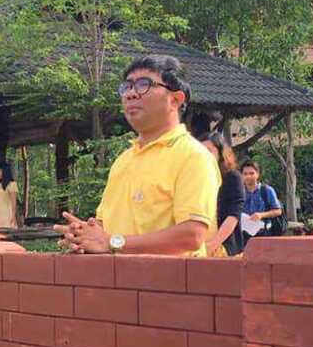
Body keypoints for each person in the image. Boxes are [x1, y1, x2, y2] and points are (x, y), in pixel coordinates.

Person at [55, 55, 219, 256]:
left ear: (175, 99)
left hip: (169, 276)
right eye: (127, 87)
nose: (131, 94)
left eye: (144, 84)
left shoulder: (193, 156)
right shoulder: (124, 160)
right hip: (117, 275)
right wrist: (83, 236)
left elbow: (191, 236)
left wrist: (113, 242)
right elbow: (104, 227)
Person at [199, 132, 245, 257]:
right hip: (198, 247)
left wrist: (213, 244)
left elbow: (233, 215)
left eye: (209, 151)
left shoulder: (232, 177)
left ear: (221, 154)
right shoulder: (196, 179)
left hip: (224, 248)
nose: (204, 155)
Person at [240, 159, 283, 246]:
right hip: (243, 235)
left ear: (258, 174)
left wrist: (261, 215)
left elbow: (278, 211)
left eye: (251, 173)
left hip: (263, 234)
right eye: (245, 174)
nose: (248, 176)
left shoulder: (267, 190)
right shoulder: (239, 192)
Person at [0, 162, 19, 229]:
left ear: (5, 172)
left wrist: (13, 216)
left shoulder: (12, 184)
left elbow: (14, 202)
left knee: (6, 232)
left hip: (6, 214)